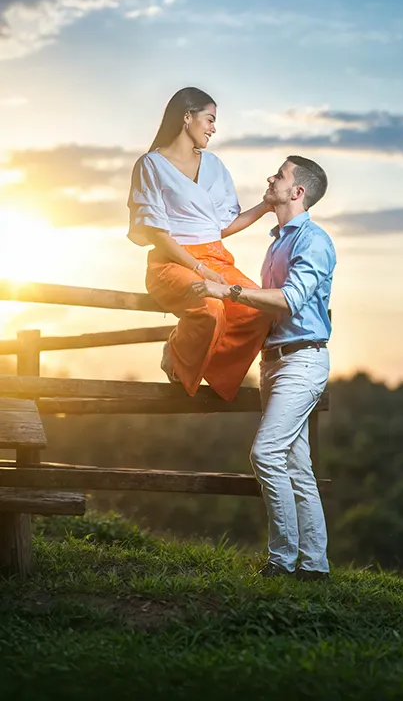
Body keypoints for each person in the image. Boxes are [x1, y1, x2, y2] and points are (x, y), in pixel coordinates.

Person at [192, 155, 336, 581]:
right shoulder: (278, 240)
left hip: (302, 360)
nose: (271, 177)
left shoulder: (314, 241)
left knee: (266, 453)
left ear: (297, 192)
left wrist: (227, 290)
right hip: (274, 363)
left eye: (281, 174)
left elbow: (291, 299)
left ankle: (281, 560)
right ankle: (314, 566)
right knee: (296, 466)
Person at [127, 87, 273, 401]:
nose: (214, 128)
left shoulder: (215, 166)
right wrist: (199, 269)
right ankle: (176, 357)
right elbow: (157, 234)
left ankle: (196, 360)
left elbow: (219, 228)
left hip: (215, 259)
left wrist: (264, 207)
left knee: (259, 309)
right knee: (210, 310)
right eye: (209, 119)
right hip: (172, 262)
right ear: (186, 116)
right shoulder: (150, 165)